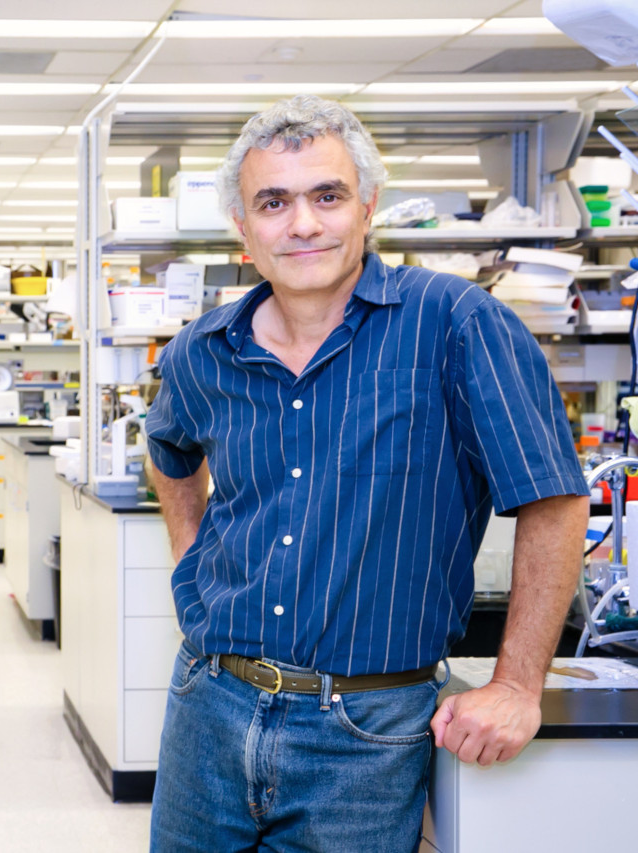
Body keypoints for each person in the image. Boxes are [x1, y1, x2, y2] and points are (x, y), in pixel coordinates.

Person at [144, 95, 589, 852]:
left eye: (327, 195)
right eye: (274, 202)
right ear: (243, 228)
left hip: (365, 728)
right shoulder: (201, 350)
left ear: (368, 206)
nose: (304, 223)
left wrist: (516, 684)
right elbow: (169, 451)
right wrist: (189, 562)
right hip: (208, 706)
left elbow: (554, 499)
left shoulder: (457, 324)